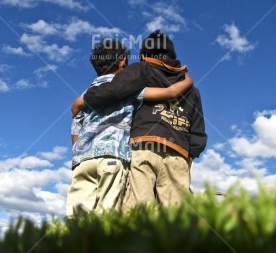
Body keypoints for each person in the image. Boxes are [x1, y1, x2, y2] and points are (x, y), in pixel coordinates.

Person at [73, 30, 207, 207]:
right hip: (178, 153)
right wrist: (188, 159)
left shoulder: (141, 69)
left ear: (144, 55)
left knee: (138, 212)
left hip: (143, 146)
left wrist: (84, 100)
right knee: (176, 217)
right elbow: (198, 132)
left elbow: (115, 89)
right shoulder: (191, 89)